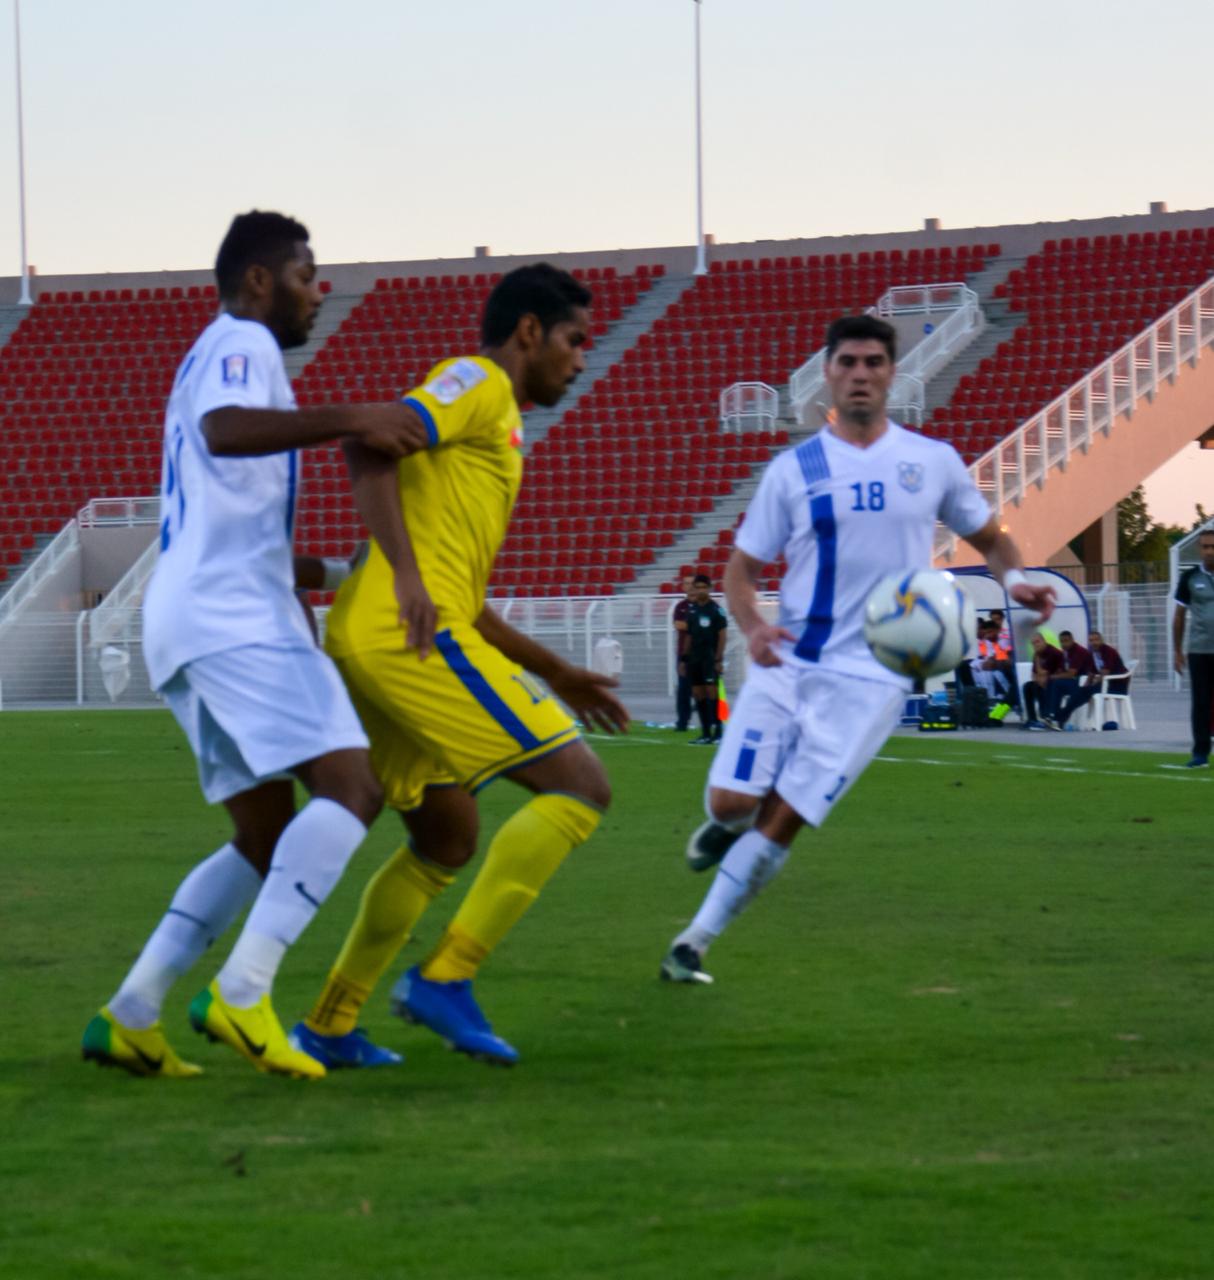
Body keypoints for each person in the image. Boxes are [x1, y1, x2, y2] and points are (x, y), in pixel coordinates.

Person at [81, 211, 427, 1080]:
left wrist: (330, 570)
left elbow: (230, 514)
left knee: (266, 833)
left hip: (192, 616)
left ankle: (131, 1013)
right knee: (352, 788)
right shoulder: (243, 341)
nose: (320, 291)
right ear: (261, 280)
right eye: (307, 275)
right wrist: (352, 417)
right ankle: (244, 990)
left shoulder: (213, 351)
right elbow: (225, 431)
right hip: (232, 619)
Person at [291, 264, 629, 1070]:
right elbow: (367, 439)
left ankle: (329, 1023)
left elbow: (465, 601)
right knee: (581, 788)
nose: (581, 360)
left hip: (382, 635)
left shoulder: (498, 428)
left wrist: (556, 670)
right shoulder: (476, 382)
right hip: (406, 635)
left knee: (446, 836)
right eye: (575, 340)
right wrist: (406, 573)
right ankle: (447, 976)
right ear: (528, 333)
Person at [659, 314, 1056, 984]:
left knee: (786, 816)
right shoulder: (794, 470)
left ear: (892, 373)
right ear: (829, 373)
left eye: (874, 362)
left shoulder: (931, 462)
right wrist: (753, 627)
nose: (861, 374)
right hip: (791, 661)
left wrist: (1016, 583)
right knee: (731, 805)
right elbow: (740, 572)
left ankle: (693, 942)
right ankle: (727, 825)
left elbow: (992, 540)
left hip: (873, 681)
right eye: (848, 362)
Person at [1173, 529, 1214, 767]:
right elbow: (1179, 615)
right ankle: (1200, 753)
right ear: (1200, 549)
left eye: (1213, 546)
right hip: (1199, 651)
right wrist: (1177, 651)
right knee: (1201, 703)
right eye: (1205, 546)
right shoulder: (1189, 577)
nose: (1209, 551)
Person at [1054, 629, 1129, 729]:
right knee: (1080, 692)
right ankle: (1062, 716)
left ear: (1102, 640)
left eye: (1096, 640)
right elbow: (1091, 673)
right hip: (1105, 684)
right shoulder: (1093, 654)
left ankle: (1061, 716)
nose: (1094, 643)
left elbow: (1105, 672)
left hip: (1117, 685)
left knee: (1084, 692)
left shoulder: (1108, 651)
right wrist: (1086, 685)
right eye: (1091, 640)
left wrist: (1092, 685)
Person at [684, 573, 728, 744]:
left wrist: (718, 659)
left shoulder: (716, 610)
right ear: (694, 589)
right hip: (695, 659)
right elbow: (689, 635)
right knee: (698, 694)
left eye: (704, 587)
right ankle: (705, 733)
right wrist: (684, 658)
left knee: (712, 693)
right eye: (698, 587)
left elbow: (722, 636)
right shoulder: (692, 610)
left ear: (710, 589)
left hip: (710, 658)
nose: (701, 591)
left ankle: (718, 731)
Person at [1043, 630, 1093, 728]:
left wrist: (1055, 676)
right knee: (1051, 683)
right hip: (1073, 681)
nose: (1063, 644)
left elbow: (1071, 674)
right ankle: (1049, 715)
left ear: (1072, 640)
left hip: (1083, 684)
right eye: (1061, 641)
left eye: (1066, 641)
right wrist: (1055, 674)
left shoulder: (1079, 651)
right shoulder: (1065, 653)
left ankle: (1053, 715)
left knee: (1056, 683)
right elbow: (1061, 670)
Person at [1021, 632, 1064, 729]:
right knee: (1027, 686)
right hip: (1043, 681)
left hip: (1055, 680)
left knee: (1040, 686)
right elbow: (1034, 674)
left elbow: (1043, 672)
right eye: (1033, 643)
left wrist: (1037, 659)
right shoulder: (1037, 654)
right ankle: (1032, 719)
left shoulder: (1053, 652)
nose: (1035, 645)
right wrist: (1037, 679)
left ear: (1044, 641)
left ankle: (1045, 715)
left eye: (1037, 642)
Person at [672, 573, 696, 731]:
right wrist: (698, 624)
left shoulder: (707, 605)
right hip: (684, 654)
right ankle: (682, 721)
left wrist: (689, 624)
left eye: (693, 583)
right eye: (687, 583)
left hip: (703, 653)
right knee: (683, 689)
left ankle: (712, 722)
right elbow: (678, 625)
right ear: (683, 587)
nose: (690, 586)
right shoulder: (680, 606)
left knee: (706, 689)